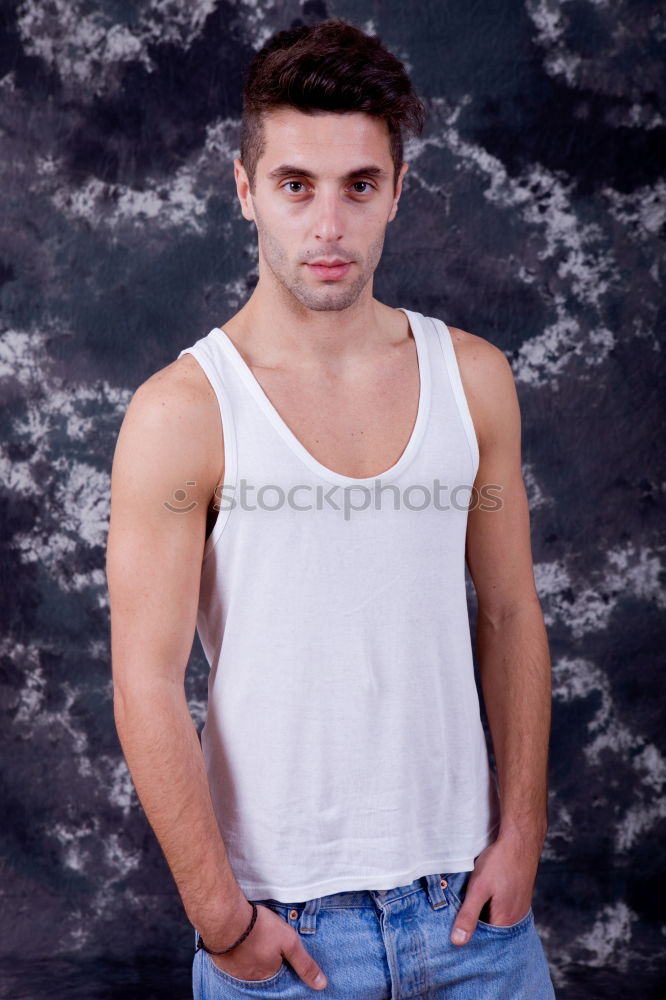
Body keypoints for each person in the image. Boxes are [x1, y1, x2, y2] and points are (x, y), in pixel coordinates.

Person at [106, 17, 556, 999]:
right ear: (245, 189)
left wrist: (521, 835)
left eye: (359, 185)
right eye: (295, 184)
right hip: (289, 937)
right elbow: (145, 681)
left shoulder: (473, 379)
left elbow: (512, 611)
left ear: (397, 190)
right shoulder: (183, 412)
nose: (327, 223)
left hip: (473, 914)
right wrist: (222, 921)